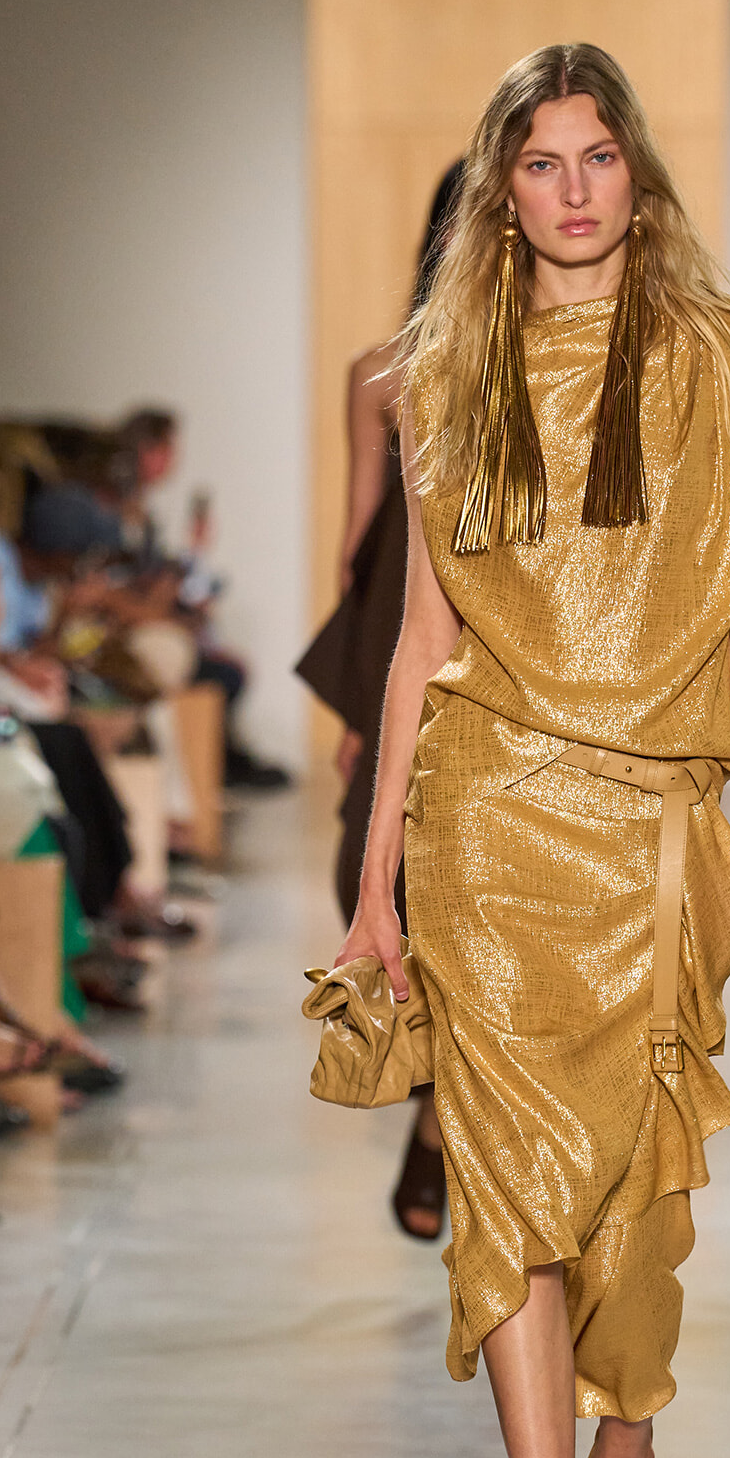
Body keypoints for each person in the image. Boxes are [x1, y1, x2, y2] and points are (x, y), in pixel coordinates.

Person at [334, 45, 730, 1458]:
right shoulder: (443, 372)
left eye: (601, 156)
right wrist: (378, 882)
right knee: (513, 1213)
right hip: (489, 829)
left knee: (635, 1205)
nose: (577, 189)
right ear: (501, 188)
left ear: (638, 176)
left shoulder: (724, 362)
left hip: (663, 823)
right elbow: (419, 645)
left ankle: (632, 1429)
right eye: (542, 163)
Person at [297, 162, 464, 1241]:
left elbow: (360, 551)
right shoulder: (387, 377)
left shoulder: (513, 371)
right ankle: (434, 1100)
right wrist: (364, 712)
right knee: (380, 881)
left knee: (461, 891)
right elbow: (368, 554)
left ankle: (443, 1122)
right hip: (408, 634)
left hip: (490, 648)